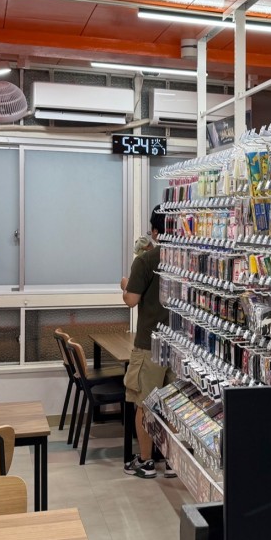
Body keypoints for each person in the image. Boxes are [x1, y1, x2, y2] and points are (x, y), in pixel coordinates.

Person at [120, 205, 172, 478]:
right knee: (175, 403)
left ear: (154, 231)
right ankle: (173, 462)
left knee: (144, 403)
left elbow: (131, 300)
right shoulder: (188, 258)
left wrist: (124, 285)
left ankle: (146, 460)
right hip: (180, 345)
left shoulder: (146, 260)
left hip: (149, 344)